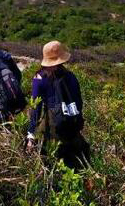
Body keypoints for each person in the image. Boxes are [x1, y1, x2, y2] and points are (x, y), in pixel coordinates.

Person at [26, 41, 90, 169]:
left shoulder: (40, 78)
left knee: (52, 165)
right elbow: (78, 102)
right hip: (72, 127)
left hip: (53, 129)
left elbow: (36, 108)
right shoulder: (71, 76)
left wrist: (31, 134)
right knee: (77, 165)